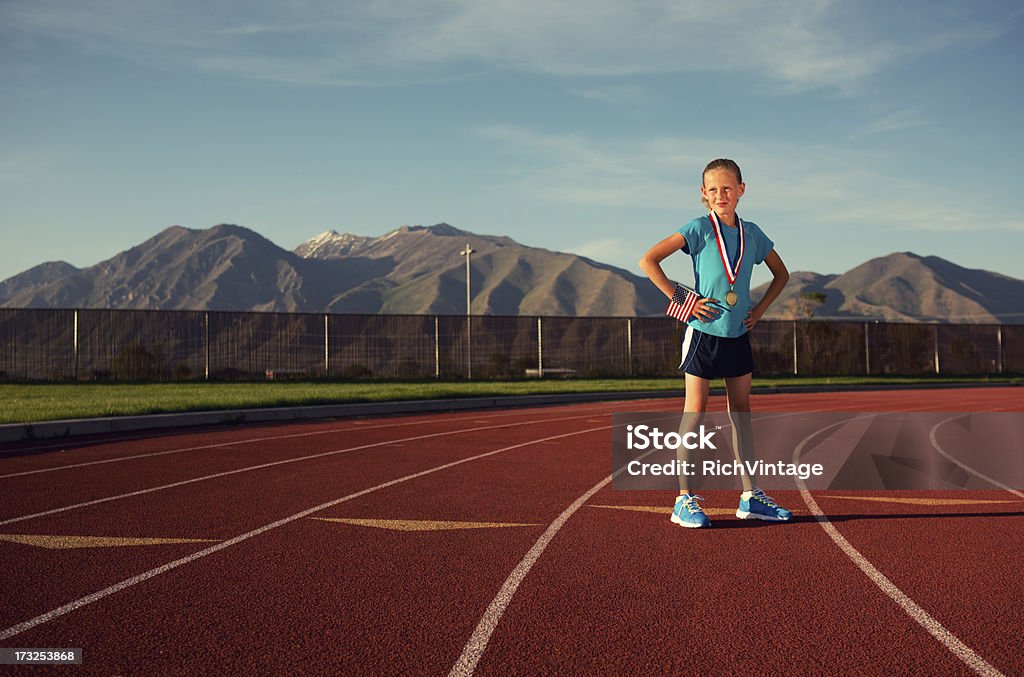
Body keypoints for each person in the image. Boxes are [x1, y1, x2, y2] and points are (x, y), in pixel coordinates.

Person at [638, 158, 792, 528]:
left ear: (741, 190)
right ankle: (683, 498)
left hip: (738, 334)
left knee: (741, 415)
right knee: (696, 410)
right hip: (703, 334)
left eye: (728, 188)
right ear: (703, 195)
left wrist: (760, 310)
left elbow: (781, 274)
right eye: (713, 189)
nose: (721, 194)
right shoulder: (698, 229)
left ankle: (751, 496)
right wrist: (683, 299)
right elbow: (649, 260)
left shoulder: (753, 233)